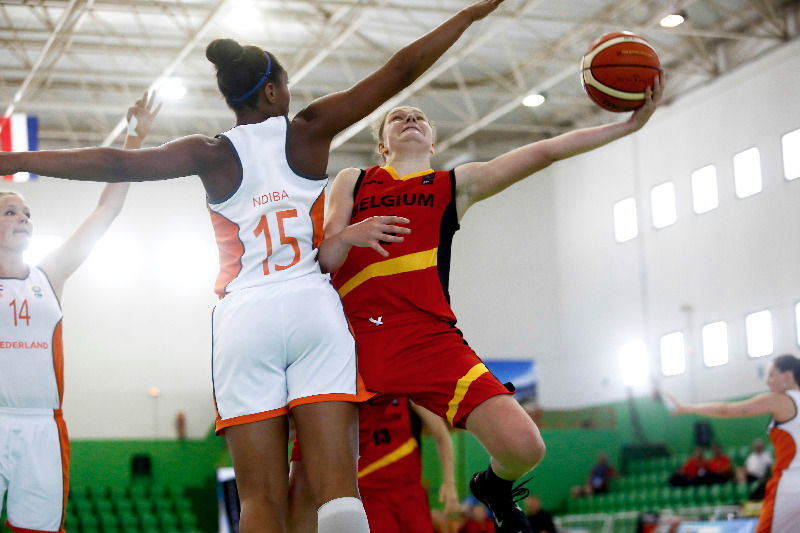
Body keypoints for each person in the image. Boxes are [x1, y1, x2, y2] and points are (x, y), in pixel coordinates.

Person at [0, 3, 507, 531]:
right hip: (313, 309)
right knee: (337, 494)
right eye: (286, 85)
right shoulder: (307, 130)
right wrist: (469, 15)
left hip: (245, 320)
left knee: (261, 502)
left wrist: (16, 161)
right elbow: (400, 69)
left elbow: (114, 163)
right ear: (272, 93)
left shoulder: (209, 152)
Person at [310, 71, 663, 533]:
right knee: (323, 495)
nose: (410, 118)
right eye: (398, 117)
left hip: (427, 337)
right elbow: (323, 259)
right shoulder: (353, 180)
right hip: (353, 340)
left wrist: (627, 127)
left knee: (525, 446)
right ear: (383, 145)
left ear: (433, 141)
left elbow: (545, 151)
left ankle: (494, 487)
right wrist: (352, 234)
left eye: (419, 117)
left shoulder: (454, 185)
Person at [0, 92, 160, 533]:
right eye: (11, 210)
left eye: (28, 212)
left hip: (42, 428)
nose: (24, 217)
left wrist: (134, 138)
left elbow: (106, 210)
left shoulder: (49, 275)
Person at [666, 353, 800, 533]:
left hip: (790, 486)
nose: (767, 381)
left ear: (788, 376)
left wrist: (688, 407)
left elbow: (725, 410)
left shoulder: (780, 400)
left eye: (771, 375)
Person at [288, 397, 460, 533]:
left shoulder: (402, 386)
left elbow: (441, 435)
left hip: (409, 494)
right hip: (368, 497)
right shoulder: (341, 391)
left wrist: (449, 483)